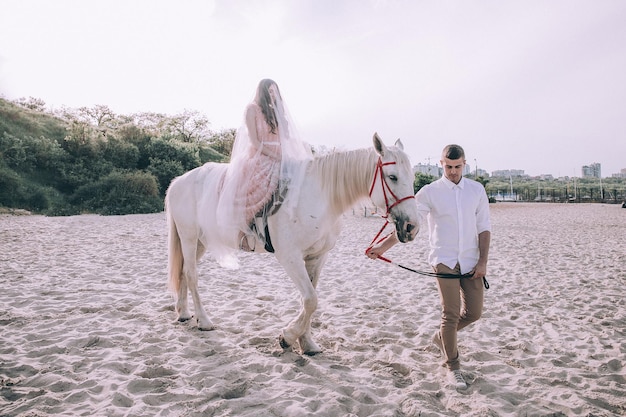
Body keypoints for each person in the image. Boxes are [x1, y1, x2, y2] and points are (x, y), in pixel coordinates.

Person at [366, 144, 491, 390]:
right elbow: (411, 224)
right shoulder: (429, 192)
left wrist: (483, 261)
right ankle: (453, 366)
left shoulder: (476, 190)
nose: (453, 171)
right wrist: (381, 247)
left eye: (458, 167)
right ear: (441, 164)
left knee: (474, 313)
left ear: (464, 164)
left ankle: (441, 338)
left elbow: (484, 228)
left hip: (471, 260)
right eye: (449, 166)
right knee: (451, 314)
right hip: (443, 259)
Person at [216, 79, 312, 256]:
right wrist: (275, 156)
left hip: (281, 155)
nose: (273, 95)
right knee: (260, 186)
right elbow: (254, 140)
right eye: (270, 91)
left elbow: (286, 140)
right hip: (260, 155)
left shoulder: (278, 113)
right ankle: (249, 229)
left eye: (276, 91)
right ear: (263, 92)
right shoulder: (252, 109)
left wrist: (288, 156)